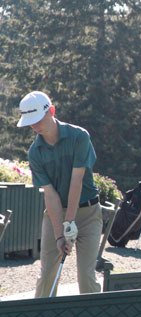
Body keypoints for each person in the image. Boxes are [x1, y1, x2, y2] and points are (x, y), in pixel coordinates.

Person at [17, 91, 102, 297]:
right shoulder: (35, 152)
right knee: (47, 275)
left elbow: (77, 181)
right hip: (55, 213)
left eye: (38, 119)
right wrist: (59, 235)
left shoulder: (79, 136)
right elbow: (51, 195)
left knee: (86, 276)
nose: (35, 126)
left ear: (52, 111)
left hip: (89, 213)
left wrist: (70, 222)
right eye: (30, 122)